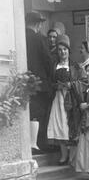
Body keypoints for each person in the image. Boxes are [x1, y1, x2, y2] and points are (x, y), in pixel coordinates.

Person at [47, 34, 83, 165]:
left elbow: (82, 82)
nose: (62, 52)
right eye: (60, 50)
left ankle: (72, 157)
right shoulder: (54, 65)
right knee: (59, 126)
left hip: (71, 100)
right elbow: (50, 81)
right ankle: (64, 155)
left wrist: (71, 85)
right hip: (57, 99)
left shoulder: (75, 66)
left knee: (71, 127)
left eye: (65, 49)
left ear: (69, 50)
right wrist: (55, 86)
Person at [25, 12, 53, 152]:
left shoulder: (20, 36)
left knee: (28, 111)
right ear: (37, 24)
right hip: (40, 83)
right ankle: (34, 143)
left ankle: (30, 142)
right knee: (38, 113)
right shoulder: (39, 39)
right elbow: (47, 61)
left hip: (24, 81)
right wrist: (50, 78)